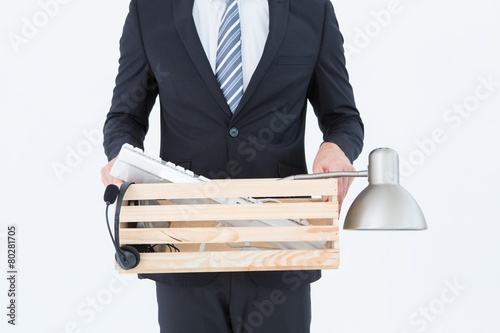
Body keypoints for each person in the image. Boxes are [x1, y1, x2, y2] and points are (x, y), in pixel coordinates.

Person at [100, 0, 364, 332]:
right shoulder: (150, 9)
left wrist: (336, 148)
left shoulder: (311, 8)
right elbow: (125, 116)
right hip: (181, 247)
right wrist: (122, 156)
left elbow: (343, 118)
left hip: (281, 249)